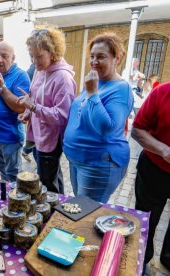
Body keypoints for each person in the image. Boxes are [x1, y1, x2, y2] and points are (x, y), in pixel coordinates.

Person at [63, 32, 133, 203]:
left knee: (87, 212)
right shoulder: (94, 82)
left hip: (98, 164)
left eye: (101, 57)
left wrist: (93, 92)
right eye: (92, 56)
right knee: (80, 206)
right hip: (78, 159)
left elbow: (106, 128)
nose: (94, 62)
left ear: (117, 59)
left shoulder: (121, 88)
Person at [18, 25, 76, 194]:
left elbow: (62, 116)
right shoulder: (40, 71)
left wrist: (34, 107)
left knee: (47, 183)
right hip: (38, 135)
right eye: (31, 56)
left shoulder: (63, 78)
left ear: (53, 52)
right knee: (52, 177)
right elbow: (35, 99)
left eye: (39, 56)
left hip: (51, 138)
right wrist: (28, 113)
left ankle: (52, 214)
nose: (34, 62)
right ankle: (57, 207)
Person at [131, 82, 170, 271]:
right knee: (146, 221)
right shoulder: (162, 92)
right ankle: (142, 261)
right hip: (154, 170)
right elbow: (137, 129)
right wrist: (164, 150)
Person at [0, 41, 29, 182]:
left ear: (13, 58)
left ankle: (18, 202)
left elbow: (21, 107)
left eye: (4, 56)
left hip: (9, 138)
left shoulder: (21, 76)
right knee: (3, 174)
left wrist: (2, 87)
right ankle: (7, 201)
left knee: (14, 177)